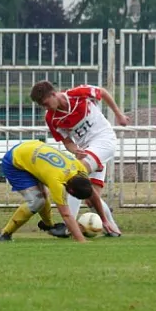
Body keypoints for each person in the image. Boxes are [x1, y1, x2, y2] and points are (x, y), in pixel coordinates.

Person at [30, 80, 128, 236]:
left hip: (105, 140)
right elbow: (67, 141)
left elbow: (102, 92)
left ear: (54, 95)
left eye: (46, 104)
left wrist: (118, 114)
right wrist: (75, 150)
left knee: (75, 176)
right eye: (43, 106)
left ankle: (69, 227)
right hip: (88, 151)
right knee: (89, 197)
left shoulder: (78, 94)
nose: (46, 108)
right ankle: (113, 230)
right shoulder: (51, 118)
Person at [0, 140, 117, 243]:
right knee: (37, 201)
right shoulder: (57, 181)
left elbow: (92, 193)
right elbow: (66, 214)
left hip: (31, 148)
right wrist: (81, 240)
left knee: (43, 197)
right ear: (70, 190)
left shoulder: (80, 169)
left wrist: (104, 219)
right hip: (14, 160)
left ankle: (49, 226)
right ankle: (5, 233)